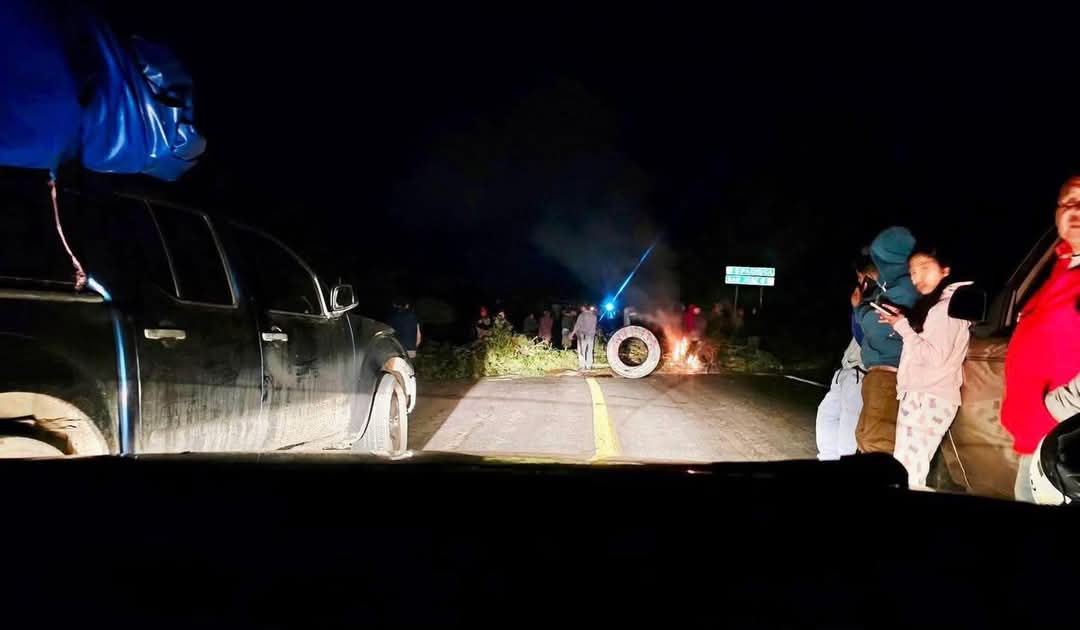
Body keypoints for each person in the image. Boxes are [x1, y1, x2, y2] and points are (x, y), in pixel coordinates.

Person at [1001, 176, 1080, 502]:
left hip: (1067, 451)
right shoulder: (1063, 266)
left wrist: (1053, 412)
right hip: (1041, 445)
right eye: (1068, 201)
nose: (1075, 209)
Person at [875, 244, 972, 488]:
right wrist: (904, 321)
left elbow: (933, 358)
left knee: (909, 473)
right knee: (910, 468)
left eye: (924, 268)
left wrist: (902, 327)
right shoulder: (945, 306)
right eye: (913, 271)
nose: (916, 277)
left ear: (945, 270)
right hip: (927, 396)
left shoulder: (945, 309)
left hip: (927, 398)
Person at [852, 226, 919, 454]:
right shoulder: (887, 288)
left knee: (877, 444)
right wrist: (863, 310)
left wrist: (859, 309)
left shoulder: (906, 289)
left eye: (878, 257)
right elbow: (870, 321)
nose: (874, 262)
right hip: (877, 375)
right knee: (864, 438)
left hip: (890, 377)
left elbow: (873, 325)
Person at [815, 261, 876, 461]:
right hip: (846, 371)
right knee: (827, 414)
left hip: (860, 373)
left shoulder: (877, 305)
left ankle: (843, 469)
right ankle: (827, 459)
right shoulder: (868, 304)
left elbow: (862, 337)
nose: (858, 283)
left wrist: (857, 308)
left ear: (869, 278)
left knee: (848, 425)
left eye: (860, 278)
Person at [571, 304, 598, 370]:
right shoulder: (594, 316)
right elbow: (594, 327)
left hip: (582, 336)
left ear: (583, 308)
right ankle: (589, 366)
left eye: (581, 308)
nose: (580, 309)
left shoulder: (582, 315)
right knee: (589, 351)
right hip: (591, 336)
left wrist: (572, 334)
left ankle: (582, 366)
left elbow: (577, 325)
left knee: (581, 351)